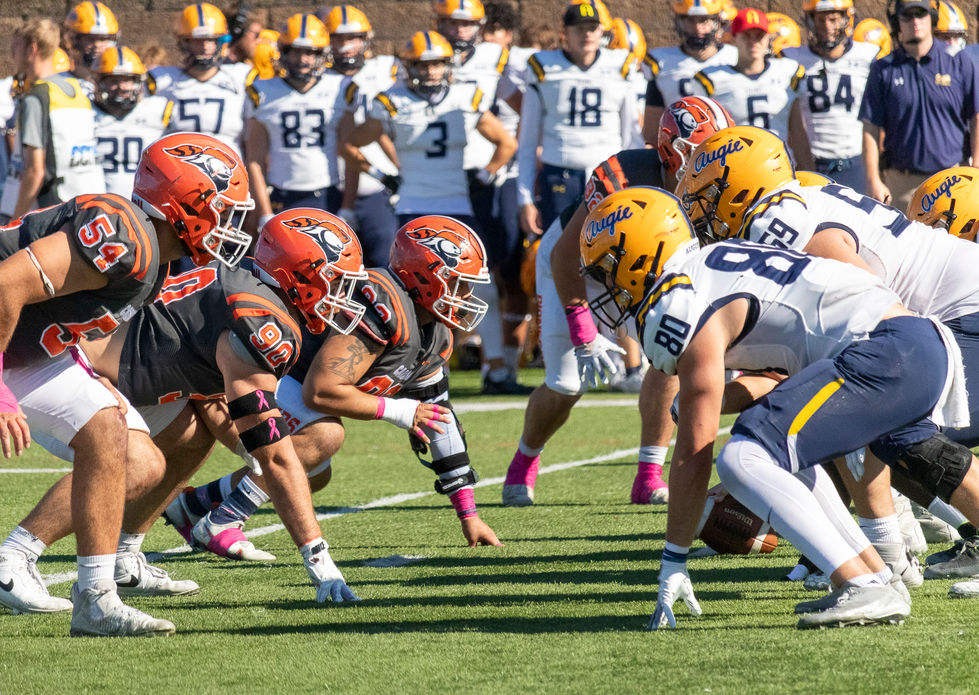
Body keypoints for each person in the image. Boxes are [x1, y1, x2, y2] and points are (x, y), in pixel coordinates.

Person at [581, 186, 973, 629]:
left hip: (885, 352)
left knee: (744, 454)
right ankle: (874, 575)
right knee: (773, 443)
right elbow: (775, 379)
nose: (605, 289)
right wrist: (700, 405)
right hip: (905, 346)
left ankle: (863, 585)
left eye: (608, 271)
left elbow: (694, 449)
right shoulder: (716, 263)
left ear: (639, 257)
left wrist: (674, 558)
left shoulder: (677, 299)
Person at [0, 208, 369, 617]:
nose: (342, 295)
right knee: (139, 463)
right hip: (65, 370)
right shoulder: (261, 320)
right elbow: (275, 455)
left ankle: (124, 557)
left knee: (191, 433)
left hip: (112, 373)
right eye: (334, 280)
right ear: (298, 274)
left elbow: (211, 400)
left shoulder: (244, 285)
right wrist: (318, 559)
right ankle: (17, 555)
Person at [683, 127, 979, 587]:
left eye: (708, 196)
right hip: (952, 319)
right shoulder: (794, 204)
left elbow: (868, 307)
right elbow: (800, 365)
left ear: (741, 187)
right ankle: (886, 549)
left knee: (891, 422)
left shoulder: (775, 220)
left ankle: (888, 551)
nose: (702, 213)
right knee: (858, 410)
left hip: (965, 316)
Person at [0, 132, 254, 636]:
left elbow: (70, 320)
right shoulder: (124, 234)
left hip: (27, 351)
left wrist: (91, 375)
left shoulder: (152, 254)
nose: (228, 224)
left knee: (134, 453)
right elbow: (7, 284)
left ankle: (87, 597)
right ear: (184, 203)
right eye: (221, 209)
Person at [167, 214, 503, 551]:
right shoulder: (385, 308)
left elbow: (440, 420)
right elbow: (321, 391)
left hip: (288, 381)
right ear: (425, 277)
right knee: (323, 436)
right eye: (459, 283)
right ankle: (224, 519)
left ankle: (191, 507)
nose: (467, 294)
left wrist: (469, 514)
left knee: (316, 474)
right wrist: (400, 411)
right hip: (253, 369)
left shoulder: (436, 336)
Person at [341, 32, 515, 237]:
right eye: (423, 65)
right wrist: (382, 176)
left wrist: (484, 177)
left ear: (448, 65)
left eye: (437, 64)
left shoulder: (466, 97)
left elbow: (507, 143)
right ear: (409, 66)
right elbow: (348, 146)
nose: (431, 71)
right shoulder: (392, 102)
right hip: (412, 204)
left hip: (457, 203)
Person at [517, 2, 636, 237]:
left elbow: (632, 135)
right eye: (579, 28)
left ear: (602, 31)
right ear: (565, 33)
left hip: (609, 173)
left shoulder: (621, 65)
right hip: (561, 175)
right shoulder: (542, 67)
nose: (587, 34)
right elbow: (528, 140)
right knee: (557, 254)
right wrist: (525, 199)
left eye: (592, 28)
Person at [860, 0, 979, 209]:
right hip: (902, 184)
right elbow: (871, 128)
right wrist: (873, 180)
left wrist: (977, 164)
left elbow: (976, 116)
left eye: (921, 14)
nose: (915, 21)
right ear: (897, 21)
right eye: (908, 15)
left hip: (952, 179)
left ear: (932, 18)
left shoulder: (959, 61)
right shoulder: (883, 68)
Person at [244, 13, 350, 224]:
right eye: (295, 52)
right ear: (283, 52)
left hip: (328, 193)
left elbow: (350, 153)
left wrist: (348, 207)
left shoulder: (340, 87)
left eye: (310, 52)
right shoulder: (262, 91)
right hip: (281, 194)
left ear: (322, 54)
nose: (302, 59)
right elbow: (254, 159)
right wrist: (264, 213)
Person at [0, 18, 106, 222]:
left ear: (31, 49)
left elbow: (35, 171)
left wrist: (14, 223)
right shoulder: (76, 91)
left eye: (16, 47)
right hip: (90, 205)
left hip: (55, 211)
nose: (12, 54)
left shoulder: (36, 97)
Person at [323, 5, 400, 267]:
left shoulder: (387, 70)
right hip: (330, 187)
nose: (345, 46)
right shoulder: (318, 81)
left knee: (386, 265)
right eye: (338, 38)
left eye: (352, 38)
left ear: (366, 39)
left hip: (379, 186)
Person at [780, 0, 879, 193]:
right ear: (809, 21)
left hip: (855, 162)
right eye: (820, 19)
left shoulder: (868, 56)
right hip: (810, 164)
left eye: (833, 19)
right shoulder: (790, 59)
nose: (827, 26)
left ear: (846, 18)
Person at [690, 9, 808, 159]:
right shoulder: (711, 79)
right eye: (746, 35)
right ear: (733, 38)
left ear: (768, 38)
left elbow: (798, 134)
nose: (753, 41)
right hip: (734, 168)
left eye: (759, 35)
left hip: (779, 165)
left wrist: (807, 169)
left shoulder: (787, 72)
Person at [150, 3, 254, 153]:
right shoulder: (161, 80)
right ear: (184, 42)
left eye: (211, 40)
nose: (206, 47)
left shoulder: (241, 77)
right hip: (180, 168)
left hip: (229, 168)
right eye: (198, 40)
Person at [641, 0, 737, 146]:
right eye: (690, 21)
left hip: (727, 144)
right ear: (679, 22)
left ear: (717, 22)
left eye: (704, 20)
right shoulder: (661, 62)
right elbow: (651, 133)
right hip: (679, 148)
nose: (697, 28)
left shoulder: (735, 57)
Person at [93, 47, 173, 196]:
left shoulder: (159, 110)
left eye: (127, 80)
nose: (121, 87)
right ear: (99, 82)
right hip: (98, 202)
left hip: (144, 203)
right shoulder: (87, 113)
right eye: (113, 80)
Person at [62, 1, 120, 97]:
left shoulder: (119, 86)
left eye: (103, 39)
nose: (97, 45)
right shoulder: (59, 81)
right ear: (73, 40)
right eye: (90, 39)